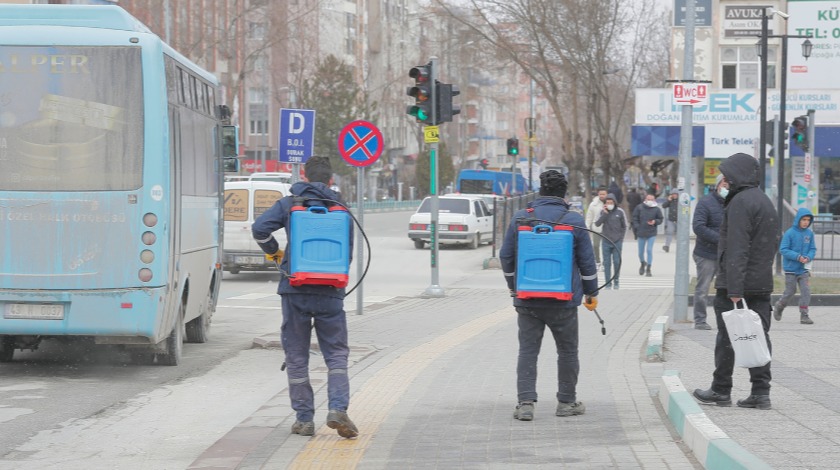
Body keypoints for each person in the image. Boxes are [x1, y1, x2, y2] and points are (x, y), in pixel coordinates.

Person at [251, 156, 359, 439]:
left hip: (295, 289)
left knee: (297, 356)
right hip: (331, 292)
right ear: (331, 180)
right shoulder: (341, 208)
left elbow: (259, 228)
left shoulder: (290, 204)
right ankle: (337, 409)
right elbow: (347, 251)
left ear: (307, 179)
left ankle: (304, 420)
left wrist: (274, 251)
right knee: (336, 354)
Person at [500, 170, 599, 422]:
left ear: (541, 191)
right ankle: (566, 403)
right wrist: (591, 293)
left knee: (528, 351)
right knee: (567, 351)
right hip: (564, 302)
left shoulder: (522, 217)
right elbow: (587, 263)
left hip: (527, 300)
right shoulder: (573, 219)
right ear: (563, 194)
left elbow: (506, 256)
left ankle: (525, 404)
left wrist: (514, 286)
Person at [693, 152, 780, 411]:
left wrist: (734, 289)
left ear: (738, 175)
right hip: (761, 282)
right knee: (757, 336)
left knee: (728, 338)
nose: (725, 180)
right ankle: (760, 392)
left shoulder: (740, 202)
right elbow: (770, 244)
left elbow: (737, 248)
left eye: (728, 174)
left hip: (738, 284)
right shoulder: (764, 201)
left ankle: (721, 390)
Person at [692, 174, 727, 330]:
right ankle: (700, 320)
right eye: (724, 183)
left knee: (726, 288)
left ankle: (725, 319)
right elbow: (698, 227)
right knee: (703, 289)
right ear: (718, 184)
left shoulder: (733, 203)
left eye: (729, 184)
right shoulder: (706, 202)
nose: (727, 187)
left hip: (725, 254)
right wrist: (720, 239)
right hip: (706, 253)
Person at [774, 208, 817, 325]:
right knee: (790, 291)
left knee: (806, 291)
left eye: (808, 220)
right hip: (791, 269)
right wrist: (797, 257)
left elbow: (813, 249)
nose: (806, 222)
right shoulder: (789, 233)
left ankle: (804, 314)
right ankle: (780, 305)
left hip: (803, 270)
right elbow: (783, 249)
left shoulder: (809, 234)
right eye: (803, 219)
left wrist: (808, 257)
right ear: (798, 219)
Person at [595, 193, 627, 289]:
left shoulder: (620, 212)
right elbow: (597, 223)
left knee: (617, 262)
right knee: (607, 263)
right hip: (606, 240)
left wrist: (621, 238)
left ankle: (616, 280)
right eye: (607, 202)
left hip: (617, 241)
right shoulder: (602, 212)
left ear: (614, 202)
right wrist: (604, 214)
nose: (609, 204)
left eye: (611, 202)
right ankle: (608, 283)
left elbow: (624, 226)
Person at [631, 193, 663, 277]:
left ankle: (649, 268)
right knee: (640, 252)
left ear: (654, 200)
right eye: (648, 199)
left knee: (649, 250)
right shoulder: (639, 208)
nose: (650, 201)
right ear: (645, 199)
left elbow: (660, 219)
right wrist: (637, 226)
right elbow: (634, 218)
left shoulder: (656, 209)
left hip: (651, 232)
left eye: (651, 199)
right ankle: (642, 263)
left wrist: (655, 222)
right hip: (641, 232)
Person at [585, 187, 607, 267]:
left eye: (604, 194)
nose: (602, 196)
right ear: (598, 194)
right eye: (600, 194)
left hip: (607, 229)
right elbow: (589, 216)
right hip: (596, 228)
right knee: (596, 245)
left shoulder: (610, 203)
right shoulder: (593, 204)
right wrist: (587, 226)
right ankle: (598, 261)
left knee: (606, 247)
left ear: (606, 194)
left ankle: (605, 262)